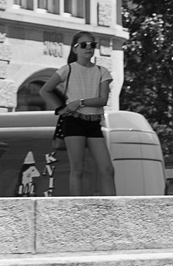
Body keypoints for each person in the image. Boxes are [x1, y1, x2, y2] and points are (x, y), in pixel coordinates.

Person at [40, 31, 117, 196]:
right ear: (75, 49)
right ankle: (77, 208)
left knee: (108, 169)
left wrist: (79, 103)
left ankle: (113, 210)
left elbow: (103, 100)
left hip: (94, 123)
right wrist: (62, 110)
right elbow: (45, 90)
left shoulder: (102, 71)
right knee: (77, 169)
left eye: (92, 45)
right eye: (83, 45)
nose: (88, 48)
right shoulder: (67, 69)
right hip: (73, 122)